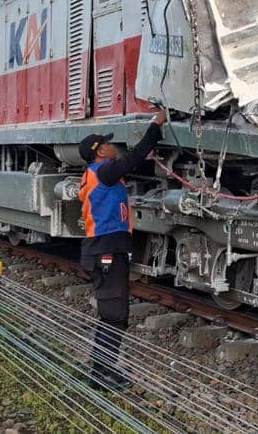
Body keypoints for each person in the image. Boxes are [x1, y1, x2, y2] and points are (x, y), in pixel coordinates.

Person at [77, 108, 167, 390]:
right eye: (107, 143)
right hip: (105, 252)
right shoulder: (103, 173)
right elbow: (134, 158)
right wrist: (156, 125)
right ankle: (101, 376)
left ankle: (102, 369)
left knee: (114, 314)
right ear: (100, 151)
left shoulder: (100, 174)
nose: (112, 146)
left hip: (106, 250)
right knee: (114, 316)